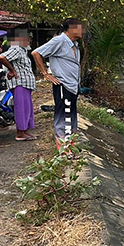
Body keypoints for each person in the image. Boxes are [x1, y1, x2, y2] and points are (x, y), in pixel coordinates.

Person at [32, 18, 83, 150]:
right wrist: (45, 74)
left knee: (71, 116)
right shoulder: (59, 41)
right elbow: (36, 53)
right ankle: (64, 150)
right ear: (71, 28)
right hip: (63, 85)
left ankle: (70, 146)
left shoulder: (74, 45)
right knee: (63, 117)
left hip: (73, 86)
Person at [0, 31, 37, 141]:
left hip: (25, 83)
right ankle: (20, 133)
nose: (29, 40)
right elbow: (2, 57)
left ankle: (25, 131)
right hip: (19, 83)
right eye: (27, 38)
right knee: (21, 108)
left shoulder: (22, 50)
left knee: (27, 108)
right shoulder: (16, 48)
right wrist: (11, 70)